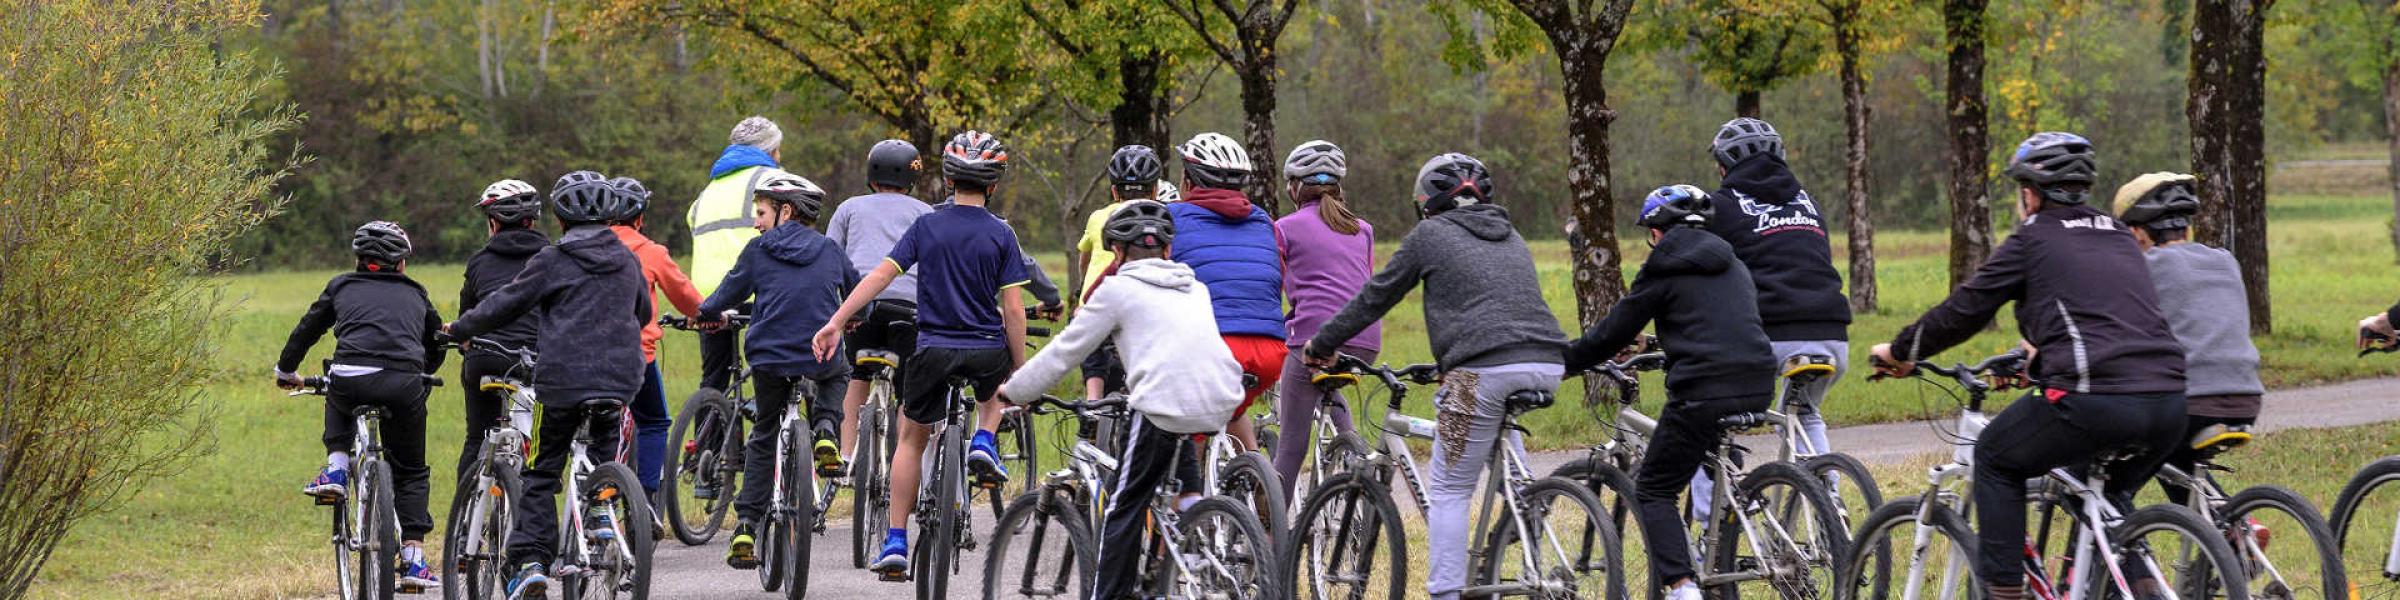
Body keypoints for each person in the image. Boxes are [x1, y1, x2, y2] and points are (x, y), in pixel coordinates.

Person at [1869, 133, 2188, 600]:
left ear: (2030, 193)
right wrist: (2038, 359)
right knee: (2104, 500)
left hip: (2093, 400)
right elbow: (2104, 317)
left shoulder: (2033, 239)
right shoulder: (2119, 235)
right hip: (2169, 404)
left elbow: (1966, 309)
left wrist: (1901, 352)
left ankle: (2004, 593)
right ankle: (2143, 589)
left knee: (1995, 458)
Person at [1300, 153, 1569, 600]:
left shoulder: (1430, 234)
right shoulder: (1512, 237)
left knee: (1449, 486)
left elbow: (1376, 296)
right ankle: (1527, 537)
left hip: (1484, 367)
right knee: (1501, 454)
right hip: (1546, 361)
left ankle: (1446, 592)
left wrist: (1323, 343)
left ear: (1426, 202)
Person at [812, 131, 1036, 576]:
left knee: (911, 438)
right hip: (984, 349)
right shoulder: (1002, 234)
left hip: (931, 348)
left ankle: (895, 539)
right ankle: (985, 441)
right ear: (993, 185)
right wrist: (1020, 367)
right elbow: (1012, 309)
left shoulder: (926, 226)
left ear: (948, 181)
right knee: (995, 394)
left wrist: (837, 320)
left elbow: (879, 276)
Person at [995, 200, 1243, 600]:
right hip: (1218, 400)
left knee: (1123, 507)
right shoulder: (1195, 287)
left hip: (1162, 404)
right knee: (1177, 481)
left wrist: (1016, 390)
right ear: (1167, 250)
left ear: (1118, 252)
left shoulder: (1117, 288)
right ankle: (1198, 539)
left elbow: (1066, 350)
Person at [1563, 185, 1777, 600]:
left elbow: (1613, 332)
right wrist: (1656, 344)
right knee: (1705, 457)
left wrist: (1565, 363)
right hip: (1756, 383)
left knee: (1655, 489)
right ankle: (1718, 557)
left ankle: (1682, 588)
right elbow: (1716, 326)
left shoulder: (1663, 266)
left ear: (1659, 232)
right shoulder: (1733, 263)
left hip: (1704, 391)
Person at [449, 170, 653, 598]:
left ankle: (530, 564)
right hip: (620, 379)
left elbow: (505, 303)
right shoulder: (627, 259)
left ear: (560, 220)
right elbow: (645, 314)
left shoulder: (553, 260)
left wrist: (460, 328)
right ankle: (602, 509)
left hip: (561, 383)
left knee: (542, 473)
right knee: (602, 443)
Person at [698, 170, 860, 569]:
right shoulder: (830, 250)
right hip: (817, 354)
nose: (756, 221)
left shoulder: (759, 250)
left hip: (768, 357)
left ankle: (747, 527)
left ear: (785, 211)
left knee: (765, 433)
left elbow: (725, 295)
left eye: (761, 211)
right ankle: (825, 430)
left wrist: (705, 314)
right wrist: (854, 318)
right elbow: (859, 296)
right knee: (839, 372)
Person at [275, 221, 448, 592]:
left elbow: (308, 329)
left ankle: (336, 471)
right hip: (405, 382)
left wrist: (285, 369)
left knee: (338, 382)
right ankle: (415, 558)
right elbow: (435, 342)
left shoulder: (341, 285)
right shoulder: (417, 292)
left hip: (352, 376)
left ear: (357, 259)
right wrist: (421, 373)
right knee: (412, 470)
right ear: (401, 263)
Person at [1694, 117, 1851, 519]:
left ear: (1726, 166)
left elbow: (1704, 272)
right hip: (1833, 334)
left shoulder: (1722, 207)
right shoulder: (1807, 202)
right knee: (1806, 414)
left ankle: (1712, 523)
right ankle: (1829, 499)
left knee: (1706, 415)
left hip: (1771, 335)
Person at [2115, 172, 2265, 502]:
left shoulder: (2144, 268)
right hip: (2246, 398)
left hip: (2190, 402)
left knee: (2111, 483)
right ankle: (2231, 532)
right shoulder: (2226, 261)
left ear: (2138, 233)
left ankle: (2120, 543)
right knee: (2174, 460)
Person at [1269, 140, 1381, 499]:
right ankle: (1354, 465)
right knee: (1329, 386)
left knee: (1289, 448)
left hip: (1314, 341)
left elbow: (1274, 283)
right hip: (1365, 342)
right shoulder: (1363, 230)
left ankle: (1270, 545)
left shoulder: (1284, 227)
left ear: (1295, 187)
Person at [1168, 131, 1286, 451]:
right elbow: (1276, 279)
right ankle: (1262, 481)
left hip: (1213, 346)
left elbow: (1126, 273)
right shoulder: (1263, 221)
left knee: (1185, 429)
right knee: (1231, 409)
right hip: (1270, 350)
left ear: (1188, 181)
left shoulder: (1170, 218)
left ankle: (1188, 499)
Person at [825, 139, 934, 461]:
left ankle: (846, 455)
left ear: (870, 176)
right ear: (912, 180)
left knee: (855, 373)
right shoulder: (926, 213)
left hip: (860, 306)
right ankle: (902, 457)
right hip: (909, 310)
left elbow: (832, 257)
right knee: (907, 389)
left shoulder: (849, 207)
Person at [606, 175, 704, 498]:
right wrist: (706, 316)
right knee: (654, 422)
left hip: (585, 354)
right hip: (636, 357)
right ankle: (646, 499)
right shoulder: (651, 252)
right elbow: (687, 298)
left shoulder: (590, 246)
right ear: (640, 218)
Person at [456, 180, 547, 476]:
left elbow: (465, 318)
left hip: (485, 358)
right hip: (535, 359)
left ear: (493, 223)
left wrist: (462, 342)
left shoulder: (479, 262)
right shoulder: (552, 257)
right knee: (541, 443)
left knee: (477, 436)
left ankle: (463, 518)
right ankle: (538, 471)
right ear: (532, 221)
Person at [689, 116, 785, 396]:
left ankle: (708, 437)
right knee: (772, 374)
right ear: (769, 151)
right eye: (778, 150)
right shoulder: (772, 180)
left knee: (714, 379)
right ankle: (768, 433)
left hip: (709, 297)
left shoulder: (708, 190)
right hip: (758, 292)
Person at [1070, 145, 1167, 400]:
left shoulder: (1097, 217)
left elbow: (1085, 260)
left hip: (1094, 305)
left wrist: (1082, 291)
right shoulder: (1164, 218)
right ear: (1156, 191)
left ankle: (1093, 401)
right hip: (1141, 308)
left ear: (1114, 191)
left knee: (1093, 349)